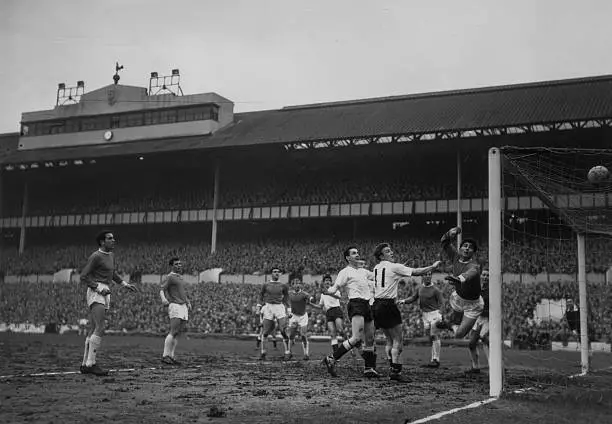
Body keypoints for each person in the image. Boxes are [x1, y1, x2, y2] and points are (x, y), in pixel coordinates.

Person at [372, 243, 441, 380]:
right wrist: (432, 267)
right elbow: (417, 272)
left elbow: (390, 276)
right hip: (388, 305)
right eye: (387, 251)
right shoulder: (395, 266)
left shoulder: (377, 267)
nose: (391, 252)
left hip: (377, 305)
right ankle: (396, 372)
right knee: (398, 340)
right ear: (381, 255)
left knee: (389, 340)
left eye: (391, 250)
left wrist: (402, 267)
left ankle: (392, 366)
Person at [79, 231, 137, 376]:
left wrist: (124, 284)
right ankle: (91, 364)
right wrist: (98, 288)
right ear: (102, 242)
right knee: (100, 327)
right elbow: (84, 276)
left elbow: (112, 273)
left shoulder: (110, 255)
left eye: (113, 238)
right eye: (110, 238)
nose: (114, 240)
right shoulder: (96, 256)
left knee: (93, 328)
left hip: (106, 289)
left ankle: (85, 364)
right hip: (97, 290)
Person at [322, 246, 379, 378]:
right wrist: (328, 291)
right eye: (354, 253)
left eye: (358, 252)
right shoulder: (345, 272)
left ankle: (369, 369)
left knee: (370, 338)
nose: (357, 255)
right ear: (348, 258)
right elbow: (336, 287)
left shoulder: (363, 271)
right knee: (356, 337)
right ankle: (331, 358)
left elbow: (377, 275)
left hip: (367, 304)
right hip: (356, 303)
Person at [436, 227, 483, 339]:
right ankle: (450, 322)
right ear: (460, 248)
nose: (467, 249)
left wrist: (458, 279)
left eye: (470, 248)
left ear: (473, 252)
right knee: (453, 314)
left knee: (459, 335)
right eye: (465, 246)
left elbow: (471, 273)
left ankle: (475, 330)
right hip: (458, 298)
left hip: (473, 304)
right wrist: (450, 232)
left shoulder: (474, 266)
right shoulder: (455, 257)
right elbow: (444, 242)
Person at [399, 274, 444, 368]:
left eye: (429, 275)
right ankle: (433, 359)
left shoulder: (436, 290)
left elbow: (441, 303)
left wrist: (440, 314)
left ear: (431, 276)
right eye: (425, 275)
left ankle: (436, 359)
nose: (427, 276)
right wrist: (403, 301)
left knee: (434, 335)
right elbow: (413, 298)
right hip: (425, 315)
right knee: (431, 337)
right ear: (422, 277)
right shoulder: (419, 288)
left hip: (434, 314)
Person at [160, 257, 191, 366]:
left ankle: (171, 356)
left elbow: (182, 292)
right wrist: (164, 299)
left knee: (178, 332)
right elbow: (161, 289)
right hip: (175, 305)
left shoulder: (180, 278)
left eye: (180, 264)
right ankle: (165, 356)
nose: (179, 265)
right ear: (172, 266)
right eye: (177, 264)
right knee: (173, 331)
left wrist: (188, 302)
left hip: (183, 306)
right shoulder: (170, 277)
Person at [257, 267, 290, 360]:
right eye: (274, 272)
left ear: (280, 274)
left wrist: (289, 310)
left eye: (278, 272)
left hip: (279, 307)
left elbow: (286, 297)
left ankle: (287, 352)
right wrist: (259, 306)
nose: (276, 273)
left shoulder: (283, 285)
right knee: (266, 332)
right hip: (268, 307)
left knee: (283, 329)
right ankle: (263, 352)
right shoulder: (266, 284)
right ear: (271, 273)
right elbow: (261, 295)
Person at [313, 274, 349, 356]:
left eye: (329, 280)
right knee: (332, 334)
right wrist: (311, 304)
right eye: (326, 280)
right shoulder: (322, 294)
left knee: (340, 329)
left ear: (331, 282)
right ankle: (336, 354)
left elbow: (339, 297)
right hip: (329, 312)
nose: (328, 282)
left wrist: (329, 293)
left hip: (336, 310)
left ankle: (349, 344)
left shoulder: (334, 289)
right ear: (323, 282)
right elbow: (320, 306)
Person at [286, 276, 317, 360]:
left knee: (303, 335)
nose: (297, 285)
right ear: (292, 285)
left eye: (299, 283)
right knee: (291, 335)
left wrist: (312, 299)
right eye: (295, 283)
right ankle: (289, 352)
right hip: (294, 316)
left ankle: (306, 354)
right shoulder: (289, 294)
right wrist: (288, 313)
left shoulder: (304, 294)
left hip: (303, 316)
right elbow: (287, 304)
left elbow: (310, 298)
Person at [467, 268, 490, 374]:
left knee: (484, 337)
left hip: (489, 319)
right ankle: (475, 367)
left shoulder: (493, 290)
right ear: (481, 276)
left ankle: (493, 364)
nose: (485, 277)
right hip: (477, 318)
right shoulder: (476, 289)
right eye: (484, 275)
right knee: (471, 343)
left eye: (487, 275)